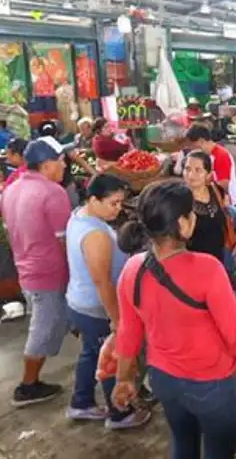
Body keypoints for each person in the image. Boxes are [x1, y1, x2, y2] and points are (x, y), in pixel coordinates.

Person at [110, 183, 236, 458]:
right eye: (191, 213)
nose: (195, 217)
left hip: (163, 380)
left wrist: (124, 378)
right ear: (181, 224)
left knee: (183, 441)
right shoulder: (208, 269)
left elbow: (128, 333)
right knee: (219, 450)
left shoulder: (132, 269)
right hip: (210, 384)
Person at [65, 174, 151, 429]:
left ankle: (80, 403)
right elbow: (102, 281)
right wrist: (117, 319)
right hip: (96, 307)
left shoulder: (79, 216)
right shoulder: (95, 235)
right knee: (112, 358)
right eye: (113, 203)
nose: (118, 209)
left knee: (91, 354)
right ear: (93, 199)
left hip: (79, 300)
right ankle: (119, 413)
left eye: (120, 203)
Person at [0, 139, 73, 407]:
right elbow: (65, 240)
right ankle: (27, 386)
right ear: (46, 165)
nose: (65, 164)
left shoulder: (12, 188)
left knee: (57, 320)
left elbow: (10, 232)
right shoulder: (53, 193)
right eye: (60, 160)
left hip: (26, 268)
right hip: (48, 272)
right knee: (44, 328)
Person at [181, 151, 236, 292]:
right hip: (193, 270)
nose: (191, 175)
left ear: (209, 174)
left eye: (198, 170)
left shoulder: (216, 191)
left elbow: (229, 217)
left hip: (220, 262)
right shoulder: (179, 200)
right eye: (187, 169)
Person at [39, 120, 96, 208]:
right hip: (65, 185)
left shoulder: (37, 149)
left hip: (50, 186)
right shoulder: (64, 148)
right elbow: (78, 159)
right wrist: (94, 173)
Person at [184, 125, 236, 209]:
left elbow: (223, 185)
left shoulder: (221, 156)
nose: (191, 149)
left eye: (192, 145)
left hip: (228, 206)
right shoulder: (206, 155)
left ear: (201, 141)